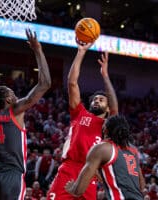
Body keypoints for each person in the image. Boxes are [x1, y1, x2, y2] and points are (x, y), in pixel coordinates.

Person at [0, 29, 51, 200]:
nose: (15, 94)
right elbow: (45, 84)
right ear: (8, 99)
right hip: (11, 175)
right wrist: (38, 50)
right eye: (11, 92)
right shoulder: (15, 110)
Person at [47, 41, 118, 200]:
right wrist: (81, 52)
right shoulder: (80, 113)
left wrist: (105, 75)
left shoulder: (108, 125)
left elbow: (115, 109)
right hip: (69, 168)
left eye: (101, 100)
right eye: (95, 99)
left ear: (107, 108)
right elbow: (72, 83)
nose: (97, 101)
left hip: (89, 174)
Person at [65, 115, 145, 200]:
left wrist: (72, 188)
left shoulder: (102, 148)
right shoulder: (133, 150)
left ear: (105, 130)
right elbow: (141, 185)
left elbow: (78, 190)